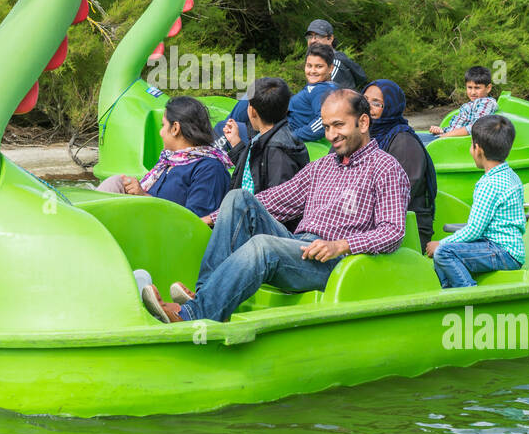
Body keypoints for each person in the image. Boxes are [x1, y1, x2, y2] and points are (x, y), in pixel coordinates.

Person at [142, 89, 409, 323]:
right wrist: (209, 218)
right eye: (326, 127)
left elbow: (393, 231)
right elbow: (274, 199)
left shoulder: (385, 168)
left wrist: (341, 245)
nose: (331, 135)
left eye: (338, 125)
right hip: (300, 246)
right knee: (238, 199)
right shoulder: (323, 166)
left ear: (363, 122)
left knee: (263, 245)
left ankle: (193, 314)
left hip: (335, 261)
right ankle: (203, 296)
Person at [424, 114, 525, 289]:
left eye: (471, 144)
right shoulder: (510, 175)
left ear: (478, 149)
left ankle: (468, 293)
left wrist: (441, 243)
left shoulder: (488, 185)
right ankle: (447, 289)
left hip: (503, 252)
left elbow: (473, 230)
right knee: (447, 251)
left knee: (444, 253)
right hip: (507, 249)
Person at [98, 96, 231, 218]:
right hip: (148, 227)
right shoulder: (168, 161)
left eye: (163, 125)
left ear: (175, 128)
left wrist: (144, 196)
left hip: (168, 238)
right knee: (116, 183)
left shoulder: (210, 169)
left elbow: (194, 222)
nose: (161, 132)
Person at [363, 80, 437, 249]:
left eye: (376, 103)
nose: (367, 107)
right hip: (368, 220)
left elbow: (399, 195)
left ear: (391, 107)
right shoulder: (362, 135)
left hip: (405, 227)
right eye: (364, 100)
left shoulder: (404, 142)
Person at [221, 77, 311, 217]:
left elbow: (278, 203)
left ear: (252, 111)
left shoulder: (278, 150)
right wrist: (236, 143)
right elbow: (253, 173)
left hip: (257, 225)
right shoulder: (261, 137)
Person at [216, 44, 337, 145]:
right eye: (309, 66)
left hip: (276, 131)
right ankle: (229, 126)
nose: (312, 71)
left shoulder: (324, 91)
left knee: (225, 124)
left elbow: (323, 122)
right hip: (273, 123)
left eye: (319, 67)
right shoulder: (317, 86)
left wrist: (292, 136)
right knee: (254, 92)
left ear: (330, 68)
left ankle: (226, 130)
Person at [419, 65, 497, 144]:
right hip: (447, 137)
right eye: (470, 87)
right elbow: (459, 126)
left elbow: (475, 127)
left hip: (454, 142)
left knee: (412, 146)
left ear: (488, 88)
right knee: (411, 137)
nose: (473, 92)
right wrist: (442, 130)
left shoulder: (486, 103)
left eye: (477, 88)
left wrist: (445, 135)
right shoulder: (475, 103)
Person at [305, 18, 368, 91]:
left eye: (318, 36)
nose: (313, 40)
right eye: (310, 37)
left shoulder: (335, 63)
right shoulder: (316, 60)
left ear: (330, 38)